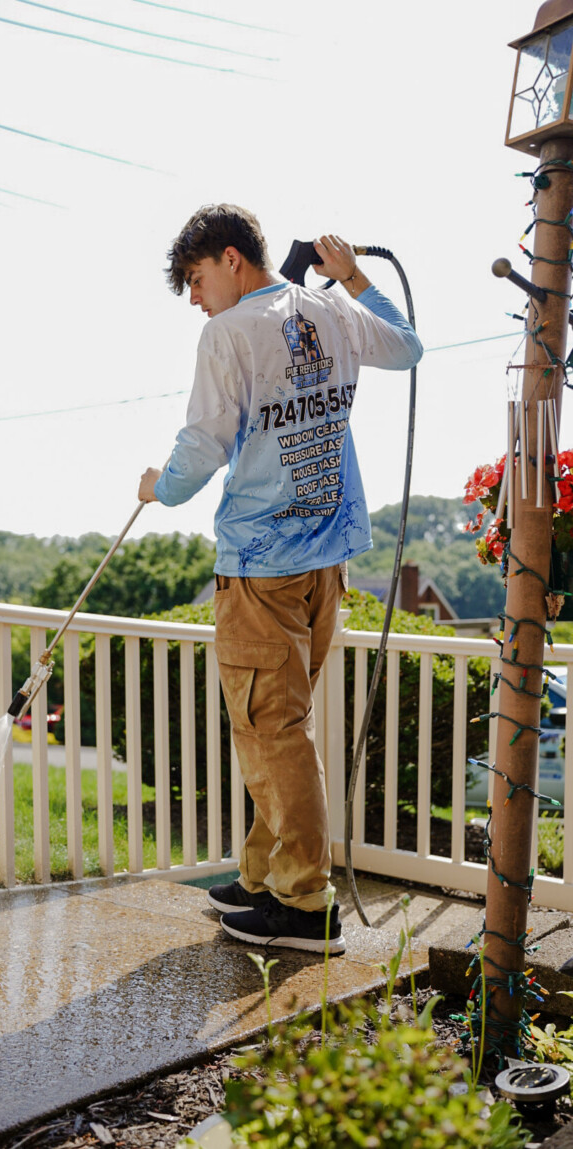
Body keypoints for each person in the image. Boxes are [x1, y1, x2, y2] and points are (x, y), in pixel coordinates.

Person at [139, 204, 423, 954]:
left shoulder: (227, 334)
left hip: (263, 568)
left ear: (233, 259)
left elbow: (202, 445)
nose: (195, 300)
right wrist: (355, 277)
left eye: (197, 280)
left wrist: (156, 488)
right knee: (278, 731)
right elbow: (409, 348)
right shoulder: (332, 306)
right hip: (326, 565)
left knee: (273, 732)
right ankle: (264, 876)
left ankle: (303, 904)